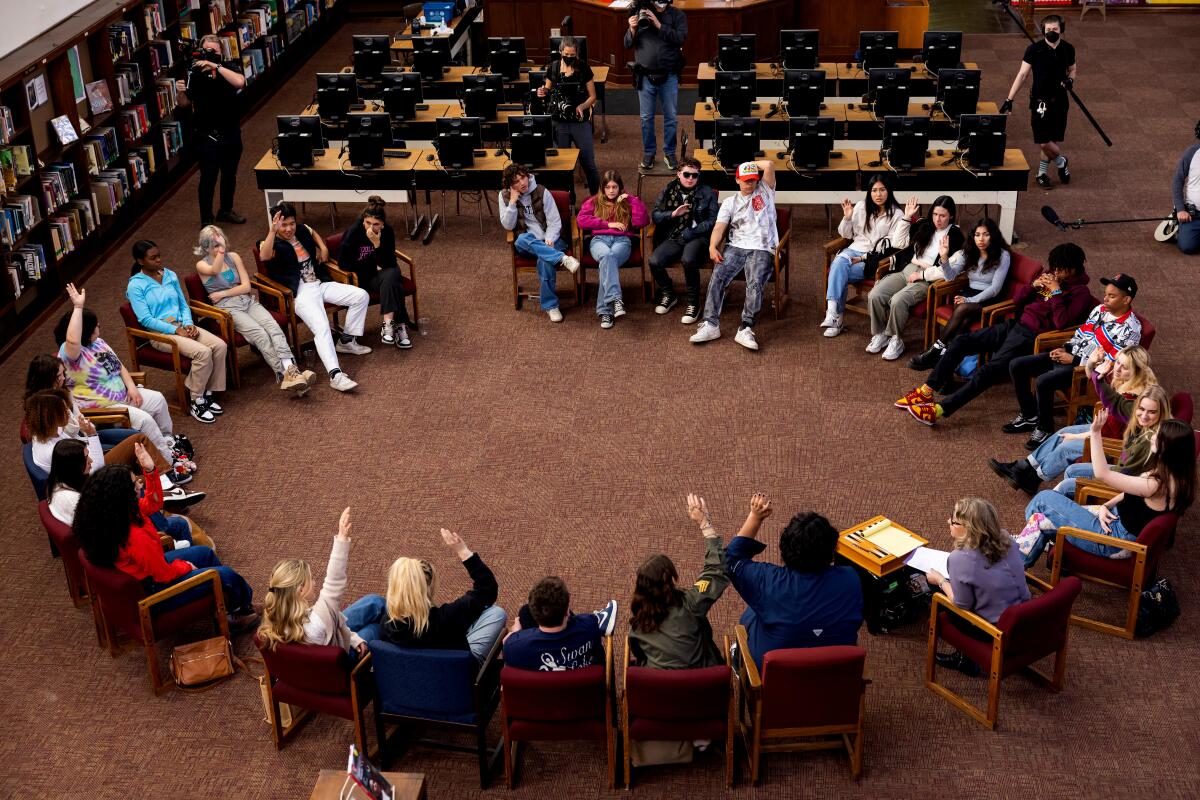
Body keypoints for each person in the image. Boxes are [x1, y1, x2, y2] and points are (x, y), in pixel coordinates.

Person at [898, 243, 1092, 427]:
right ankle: (926, 391)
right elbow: (1017, 301)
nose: (1055, 273)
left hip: (1032, 337)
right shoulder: (1051, 276)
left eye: (1060, 269)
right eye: (1054, 268)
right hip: (1015, 324)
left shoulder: (1080, 293)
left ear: (1073, 269)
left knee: (989, 370)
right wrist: (1032, 286)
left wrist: (1056, 293)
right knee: (960, 342)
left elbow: (1061, 323)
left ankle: (941, 410)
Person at [72, 443, 255, 628]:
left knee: (205, 554)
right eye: (135, 483)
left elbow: (153, 504)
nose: (140, 483)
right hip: (155, 592)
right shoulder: (135, 537)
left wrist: (151, 470)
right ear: (123, 494)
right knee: (225, 575)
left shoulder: (115, 514)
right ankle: (237, 612)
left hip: (148, 574)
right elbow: (163, 574)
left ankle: (228, 609)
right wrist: (185, 567)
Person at [1021, 414, 1195, 568]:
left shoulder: (1156, 484)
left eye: (1157, 436)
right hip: (1114, 519)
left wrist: (1096, 434)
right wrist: (1106, 505)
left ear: (1168, 447)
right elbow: (1132, 492)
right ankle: (1021, 554)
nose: (1152, 436)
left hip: (1113, 541)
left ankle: (1017, 560)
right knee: (1040, 519)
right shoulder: (1177, 476)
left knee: (1043, 499)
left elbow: (1102, 473)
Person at [990, 346, 1160, 496]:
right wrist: (1091, 364)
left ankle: (1033, 479)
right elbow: (1094, 379)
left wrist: (1076, 437)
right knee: (1062, 432)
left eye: (1124, 367)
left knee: (1066, 446)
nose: (1117, 369)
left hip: (1114, 445)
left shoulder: (1133, 400)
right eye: (1118, 363)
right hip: (1106, 431)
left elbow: (1108, 432)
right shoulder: (1127, 380)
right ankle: (1024, 466)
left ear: (1137, 372)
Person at [725, 494, 864, 668]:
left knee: (752, 613)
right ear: (831, 551)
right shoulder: (851, 579)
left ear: (785, 550)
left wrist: (755, 516)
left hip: (778, 676)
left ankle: (741, 661)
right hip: (835, 674)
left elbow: (731, 559)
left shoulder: (767, 582)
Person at [1003, 272, 1141, 446]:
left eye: (1111, 296)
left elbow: (1112, 365)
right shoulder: (1100, 310)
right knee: (1017, 365)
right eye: (1105, 294)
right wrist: (1065, 348)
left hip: (1086, 372)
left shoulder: (1131, 330)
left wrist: (1074, 360)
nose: (1105, 299)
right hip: (1071, 356)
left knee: (1043, 381)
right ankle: (1029, 415)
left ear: (1126, 300)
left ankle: (1045, 428)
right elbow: (1081, 334)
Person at [55, 285, 187, 467]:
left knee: (158, 400)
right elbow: (72, 340)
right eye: (95, 326)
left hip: (125, 395)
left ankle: (166, 442)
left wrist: (131, 387)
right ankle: (168, 465)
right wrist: (78, 307)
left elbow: (119, 366)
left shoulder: (97, 342)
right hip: (106, 407)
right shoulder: (71, 356)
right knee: (146, 421)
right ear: (84, 331)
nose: (99, 327)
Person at [259, 202, 370, 392]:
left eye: (291, 223)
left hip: (319, 283)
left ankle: (346, 341)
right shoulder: (270, 242)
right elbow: (264, 256)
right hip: (300, 293)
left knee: (360, 296)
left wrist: (323, 248)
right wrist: (272, 231)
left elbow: (311, 231)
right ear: (276, 224)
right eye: (283, 225)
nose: (288, 229)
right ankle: (336, 375)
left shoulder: (301, 230)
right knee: (322, 327)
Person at [194, 224, 311, 394]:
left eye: (220, 238)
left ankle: (291, 369)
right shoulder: (202, 265)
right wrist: (220, 251)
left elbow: (246, 287)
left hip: (247, 301)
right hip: (228, 308)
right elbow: (215, 269)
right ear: (206, 245)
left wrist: (224, 292)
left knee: (273, 328)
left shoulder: (233, 256)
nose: (220, 243)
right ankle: (283, 373)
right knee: (260, 334)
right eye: (215, 241)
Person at [923, 498, 1031, 676]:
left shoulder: (960, 558)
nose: (948, 521)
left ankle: (966, 659)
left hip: (994, 632)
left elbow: (962, 605)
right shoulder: (1006, 538)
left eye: (953, 519)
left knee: (936, 591)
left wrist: (941, 580)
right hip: (1027, 617)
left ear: (968, 529)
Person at [258, 508, 385, 656]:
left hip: (320, 650)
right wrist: (342, 538)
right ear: (300, 590)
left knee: (374, 602)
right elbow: (334, 582)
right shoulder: (317, 621)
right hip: (337, 662)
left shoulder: (273, 620)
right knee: (376, 628)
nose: (315, 582)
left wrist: (352, 638)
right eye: (310, 579)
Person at [127, 240, 228, 423]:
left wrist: (188, 324)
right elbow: (145, 319)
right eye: (153, 258)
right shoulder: (135, 286)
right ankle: (196, 400)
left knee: (220, 346)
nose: (159, 260)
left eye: (159, 256)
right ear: (141, 261)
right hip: (161, 333)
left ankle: (207, 392)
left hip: (183, 325)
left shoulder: (170, 275)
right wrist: (176, 329)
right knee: (202, 352)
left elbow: (183, 303)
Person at [46, 438, 213, 548]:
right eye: (86, 458)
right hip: (128, 548)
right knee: (199, 549)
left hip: (121, 536)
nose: (90, 461)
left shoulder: (62, 486)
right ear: (74, 465)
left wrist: (150, 471)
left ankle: (169, 503)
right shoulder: (80, 502)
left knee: (176, 521)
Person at [628, 493, 729, 670]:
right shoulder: (690, 604)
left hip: (662, 695)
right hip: (705, 689)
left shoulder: (637, 628)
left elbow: (640, 657)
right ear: (670, 579)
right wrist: (705, 524)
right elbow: (715, 571)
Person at [689, 159, 778, 351]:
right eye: (745, 180)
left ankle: (746, 327)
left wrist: (748, 163)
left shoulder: (766, 191)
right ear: (737, 180)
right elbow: (719, 228)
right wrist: (713, 246)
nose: (749, 184)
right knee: (718, 276)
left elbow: (769, 165)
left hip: (762, 248)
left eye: (753, 179)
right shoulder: (730, 202)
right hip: (736, 246)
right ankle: (711, 324)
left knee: (755, 282)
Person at [379, 528, 507, 662]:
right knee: (496, 613)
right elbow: (487, 588)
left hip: (405, 679)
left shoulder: (386, 624)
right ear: (427, 588)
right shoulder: (448, 617)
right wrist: (462, 551)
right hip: (460, 675)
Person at [866, 195, 964, 361]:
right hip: (908, 269)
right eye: (935, 214)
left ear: (951, 216)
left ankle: (896, 339)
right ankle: (880, 334)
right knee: (875, 295)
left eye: (942, 216)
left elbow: (947, 269)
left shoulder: (956, 237)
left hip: (928, 278)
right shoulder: (924, 225)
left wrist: (922, 274)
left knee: (898, 300)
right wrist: (906, 217)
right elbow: (898, 243)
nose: (937, 220)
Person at [907, 218, 1013, 369]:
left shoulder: (1003, 256)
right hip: (969, 294)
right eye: (977, 235)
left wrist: (969, 300)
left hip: (990, 299)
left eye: (985, 234)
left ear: (993, 236)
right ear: (972, 236)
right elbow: (950, 276)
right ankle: (945, 368)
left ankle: (935, 350)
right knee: (961, 323)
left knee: (962, 308)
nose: (981, 239)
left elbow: (995, 289)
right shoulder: (968, 252)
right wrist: (944, 257)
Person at [822, 174, 915, 338]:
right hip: (854, 249)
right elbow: (846, 234)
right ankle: (833, 314)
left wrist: (865, 257)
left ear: (888, 191)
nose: (878, 194)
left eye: (882, 190)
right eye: (874, 190)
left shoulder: (897, 214)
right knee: (840, 265)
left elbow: (893, 246)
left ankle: (835, 316)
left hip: (874, 259)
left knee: (838, 270)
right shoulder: (860, 207)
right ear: (869, 192)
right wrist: (847, 218)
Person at [175, 34, 246, 226]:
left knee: (229, 174)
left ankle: (226, 210)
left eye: (214, 51)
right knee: (208, 178)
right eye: (206, 50)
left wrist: (216, 66)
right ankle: (206, 219)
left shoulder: (229, 67)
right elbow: (184, 104)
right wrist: (180, 90)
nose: (210, 54)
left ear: (221, 52)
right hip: (206, 135)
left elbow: (240, 82)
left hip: (230, 132)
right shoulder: (194, 73)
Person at [497, 164, 581, 323]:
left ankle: (551, 306)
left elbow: (555, 222)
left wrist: (549, 238)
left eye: (523, 177)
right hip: (527, 244)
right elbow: (508, 226)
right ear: (510, 185)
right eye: (516, 181)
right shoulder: (504, 196)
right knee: (521, 239)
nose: (522, 183)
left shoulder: (542, 191)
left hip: (551, 240)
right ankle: (562, 258)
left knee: (545, 260)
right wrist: (513, 203)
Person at [1000, 15, 1076, 189]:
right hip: (1040, 102)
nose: (1051, 32)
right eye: (1048, 30)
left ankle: (1041, 174)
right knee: (1043, 141)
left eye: (1055, 29)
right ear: (1043, 31)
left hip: (1060, 101)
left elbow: (1072, 69)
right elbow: (1022, 75)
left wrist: (1071, 80)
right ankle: (1061, 161)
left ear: (1061, 30)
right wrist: (1009, 99)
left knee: (1053, 140)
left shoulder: (1068, 49)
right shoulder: (1034, 50)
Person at [647, 157, 719, 323]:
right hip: (676, 234)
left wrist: (692, 232)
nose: (690, 179)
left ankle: (693, 303)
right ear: (679, 174)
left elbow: (712, 221)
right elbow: (656, 215)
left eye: (695, 175)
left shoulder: (707, 192)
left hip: (698, 236)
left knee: (688, 259)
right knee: (654, 261)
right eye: (687, 174)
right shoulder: (669, 190)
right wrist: (672, 214)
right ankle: (669, 294)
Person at [336, 196, 414, 349]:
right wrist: (370, 265)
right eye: (368, 223)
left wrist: (377, 244)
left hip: (385, 275)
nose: (371, 228)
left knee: (391, 275)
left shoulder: (388, 232)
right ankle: (400, 326)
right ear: (363, 221)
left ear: (383, 225)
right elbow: (343, 262)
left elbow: (389, 262)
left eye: (376, 224)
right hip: (365, 277)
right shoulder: (354, 232)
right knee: (393, 278)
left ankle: (388, 325)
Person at [576, 169, 649, 328]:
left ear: (620, 188)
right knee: (607, 256)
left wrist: (632, 200)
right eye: (607, 187)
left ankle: (605, 312)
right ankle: (615, 300)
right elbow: (581, 221)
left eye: (614, 187)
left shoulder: (628, 201)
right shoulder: (594, 201)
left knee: (608, 258)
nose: (611, 191)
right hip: (598, 240)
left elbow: (642, 221)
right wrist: (608, 224)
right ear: (602, 188)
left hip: (622, 241)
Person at [26, 353, 137, 453]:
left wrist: (88, 428)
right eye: (59, 376)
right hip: (79, 449)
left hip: (87, 435)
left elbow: (78, 415)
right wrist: (82, 427)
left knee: (136, 436)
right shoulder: (44, 407)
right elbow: (69, 434)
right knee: (134, 445)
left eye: (63, 373)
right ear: (47, 379)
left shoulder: (62, 391)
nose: (64, 378)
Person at [502, 577, 618, 671]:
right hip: (583, 695)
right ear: (567, 611)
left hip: (540, 697)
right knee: (589, 630)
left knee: (524, 611)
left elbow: (508, 647)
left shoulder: (513, 646)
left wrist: (516, 634)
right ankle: (602, 619)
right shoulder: (590, 625)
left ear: (536, 616)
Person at [625, 0, 687, 170]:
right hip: (645, 76)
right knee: (646, 118)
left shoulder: (677, 15)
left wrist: (659, 24)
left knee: (671, 117)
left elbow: (680, 38)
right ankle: (649, 152)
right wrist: (632, 28)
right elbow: (627, 43)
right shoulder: (641, 11)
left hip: (669, 75)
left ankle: (669, 153)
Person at [539, 37, 599, 195]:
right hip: (559, 123)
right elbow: (547, 90)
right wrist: (542, 92)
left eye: (573, 55)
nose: (569, 57)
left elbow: (593, 96)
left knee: (588, 163)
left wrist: (582, 105)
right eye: (567, 54)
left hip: (579, 122)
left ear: (577, 54)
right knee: (563, 166)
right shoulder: (553, 68)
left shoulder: (584, 68)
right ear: (560, 52)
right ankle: (569, 200)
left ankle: (597, 200)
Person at [1169, 120, 1200, 255]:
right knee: (1187, 246)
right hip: (1193, 214)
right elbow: (1177, 181)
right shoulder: (1192, 152)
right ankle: (1181, 227)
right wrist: (1181, 209)